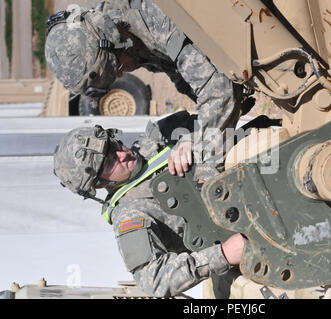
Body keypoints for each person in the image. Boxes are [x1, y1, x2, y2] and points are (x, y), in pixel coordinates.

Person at [45, 0, 248, 184]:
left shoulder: (153, 15)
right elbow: (184, 75)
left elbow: (218, 90)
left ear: (113, 40)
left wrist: (207, 167)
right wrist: (194, 137)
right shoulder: (124, 38)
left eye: (116, 68)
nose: (120, 75)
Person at [53, 111, 245, 298]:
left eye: (113, 145)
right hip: (240, 231)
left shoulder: (151, 140)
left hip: (247, 175)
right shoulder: (130, 215)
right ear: (100, 183)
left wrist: (189, 140)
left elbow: (211, 115)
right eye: (110, 162)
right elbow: (154, 279)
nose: (122, 154)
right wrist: (223, 254)